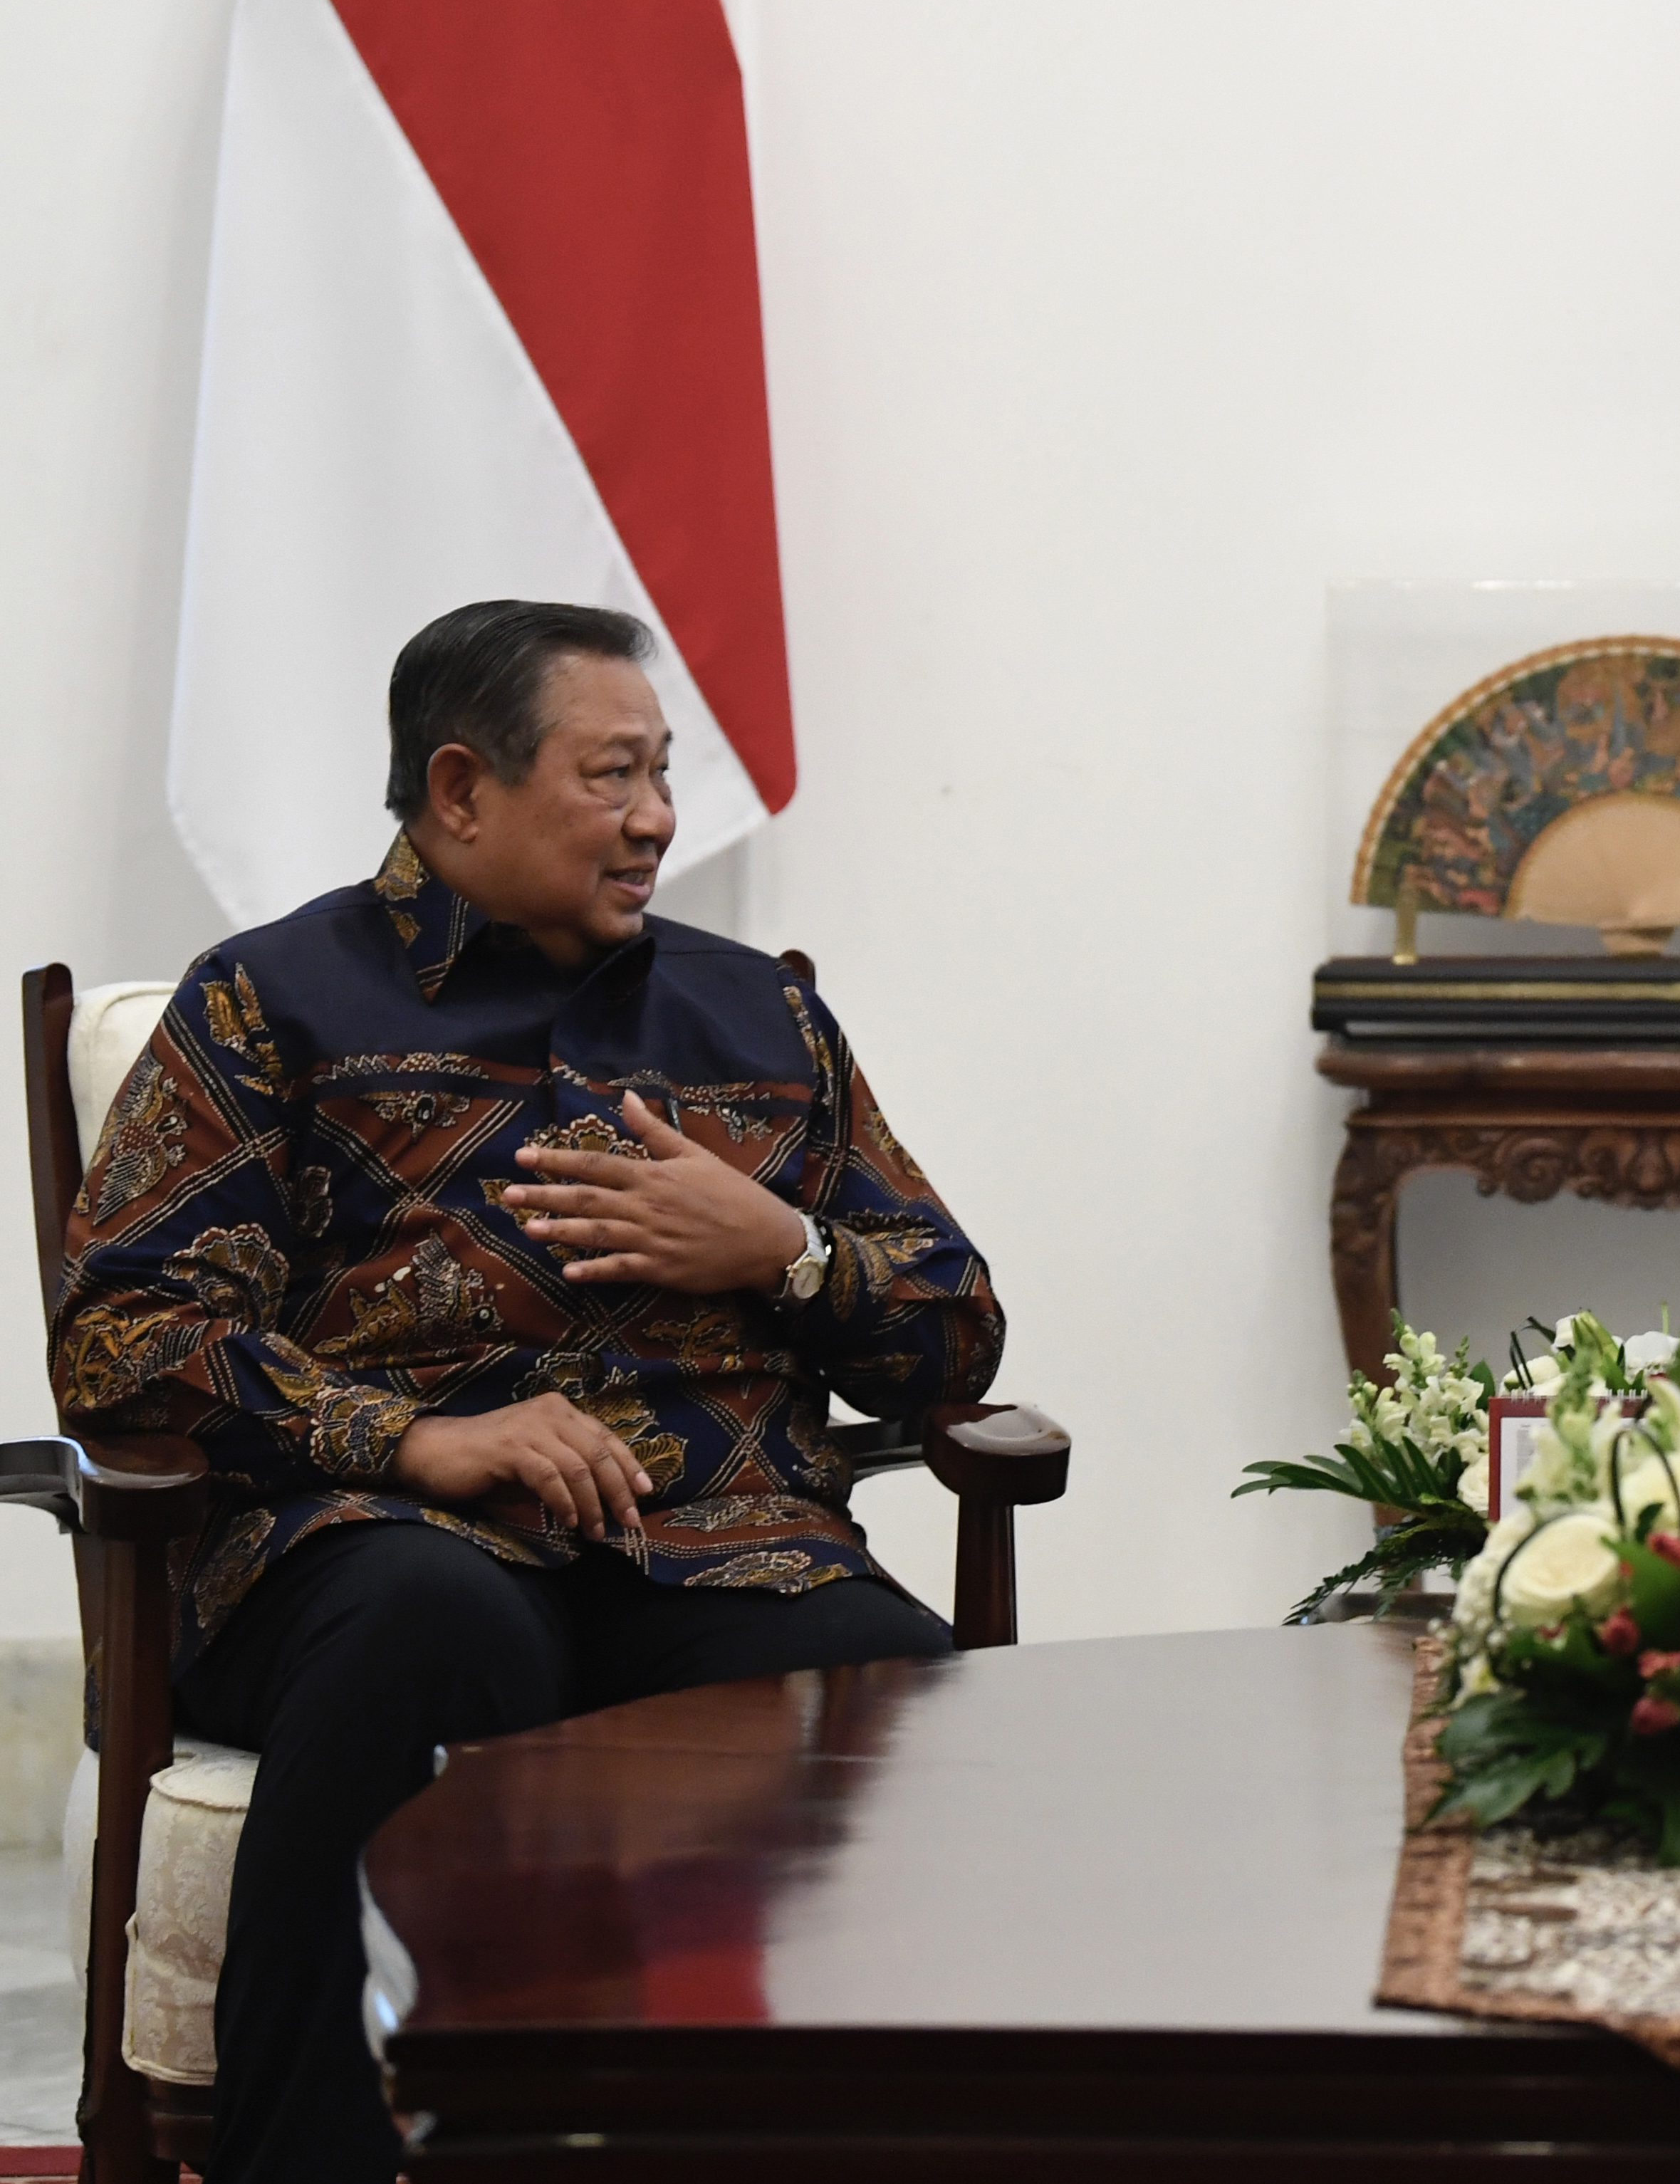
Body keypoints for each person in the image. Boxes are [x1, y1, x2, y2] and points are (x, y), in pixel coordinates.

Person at [51, 600, 1004, 2183]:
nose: (657, 818)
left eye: (662, 772)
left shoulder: (762, 1017)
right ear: (460, 788)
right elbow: (123, 1332)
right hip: (370, 1546)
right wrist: (409, 1438)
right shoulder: (268, 1002)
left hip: (715, 1552)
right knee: (437, 1621)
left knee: (889, 1677)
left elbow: (954, 1334)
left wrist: (782, 1250)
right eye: (611, 773)